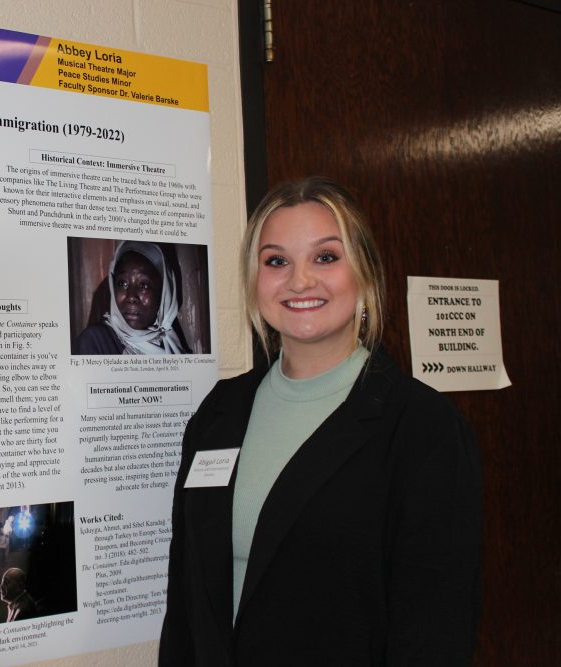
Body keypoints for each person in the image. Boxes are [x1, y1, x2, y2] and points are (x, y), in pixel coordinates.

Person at [159, 177, 481, 666]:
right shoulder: (218, 415)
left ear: (365, 275)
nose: (300, 280)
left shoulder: (422, 428)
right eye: (276, 261)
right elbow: (186, 601)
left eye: (326, 257)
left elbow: (434, 631)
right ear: (254, 280)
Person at [74, 240, 187, 355]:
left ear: (163, 293)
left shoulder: (171, 344)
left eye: (144, 285)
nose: (131, 297)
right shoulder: (95, 341)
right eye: (122, 284)